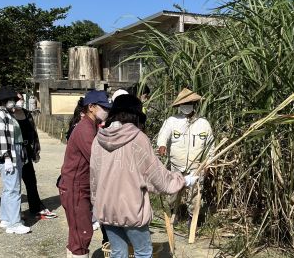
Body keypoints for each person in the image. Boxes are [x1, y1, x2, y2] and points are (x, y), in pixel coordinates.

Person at [90, 94, 198, 258]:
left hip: (106, 208)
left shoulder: (98, 139)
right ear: (135, 116)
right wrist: (183, 180)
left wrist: (95, 204)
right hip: (131, 210)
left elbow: (94, 178)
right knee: (143, 252)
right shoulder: (138, 139)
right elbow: (157, 177)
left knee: (118, 253)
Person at [58, 90, 111, 258]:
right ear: (91, 107)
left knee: (78, 234)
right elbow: (97, 159)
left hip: (81, 186)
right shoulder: (85, 129)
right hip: (75, 187)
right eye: (103, 107)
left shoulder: (92, 126)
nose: (106, 111)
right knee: (82, 234)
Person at [156, 88, 214, 223]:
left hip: (196, 166)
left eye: (190, 103)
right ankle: (173, 212)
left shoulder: (203, 123)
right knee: (173, 192)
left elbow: (211, 145)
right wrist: (162, 146)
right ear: (179, 105)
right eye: (184, 104)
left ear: (194, 104)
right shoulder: (172, 121)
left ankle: (192, 219)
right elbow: (163, 135)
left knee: (195, 193)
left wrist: (208, 163)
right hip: (176, 164)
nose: (186, 106)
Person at [0, 86, 30, 234]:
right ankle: (14, 223)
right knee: (13, 189)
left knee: (8, 188)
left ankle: (6, 218)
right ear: (5, 101)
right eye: (12, 99)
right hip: (9, 154)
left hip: (15, 152)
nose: (14, 102)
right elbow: (1, 139)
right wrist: (6, 158)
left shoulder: (7, 114)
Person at [13, 93, 56, 219]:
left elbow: (34, 132)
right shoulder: (8, 115)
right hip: (15, 151)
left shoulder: (27, 114)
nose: (20, 101)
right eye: (17, 99)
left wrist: (35, 150)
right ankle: (16, 212)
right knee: (15, 183)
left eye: (21, 99)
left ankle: (35, 207)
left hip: (27, 150)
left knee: (31, 180)